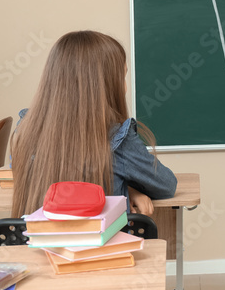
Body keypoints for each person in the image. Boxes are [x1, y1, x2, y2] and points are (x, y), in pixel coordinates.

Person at [11, 30, 177, 218]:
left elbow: (18, 175)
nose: (125, 85)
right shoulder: (118, 139)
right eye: (122, 76)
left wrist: (128, 189)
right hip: (102, 246)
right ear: (106, 85)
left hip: (36, 246)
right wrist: (130, 187)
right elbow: (167, 185)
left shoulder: (26, 130)